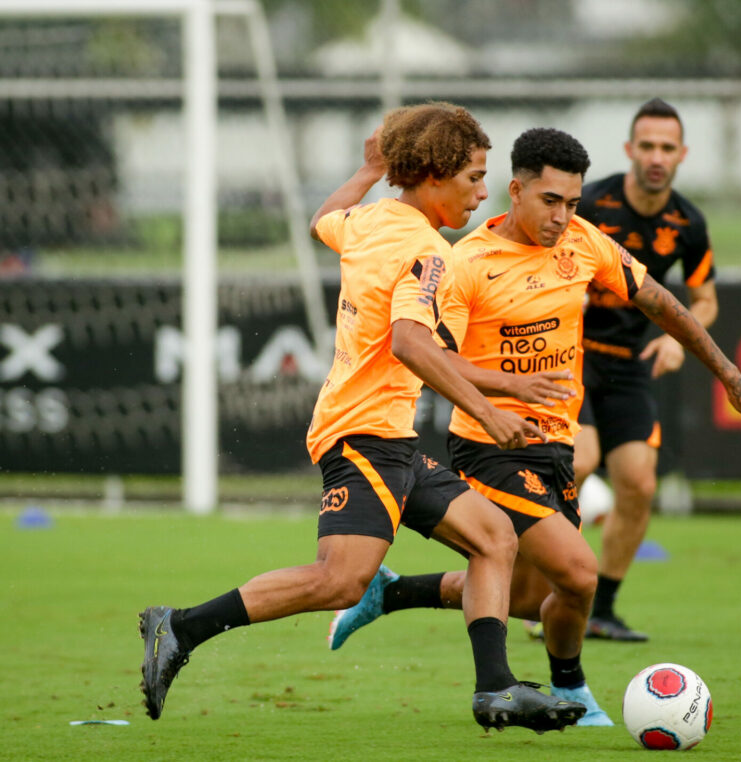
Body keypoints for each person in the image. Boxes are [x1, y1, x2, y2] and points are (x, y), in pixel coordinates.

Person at [137, 102, 586, 734]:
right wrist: (488, 410)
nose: (483, 194)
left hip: (389, 436)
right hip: (362, 434)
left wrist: (367, 170)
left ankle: (497, 689)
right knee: (342, 582)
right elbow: (410, 343)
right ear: (433, 173)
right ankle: (180, 626)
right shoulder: (426, 251)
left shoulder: (372, 219)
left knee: (494, 537)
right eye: (474, 178)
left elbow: (324, 220)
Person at [325, 127, 741, 726]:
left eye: (572, 202)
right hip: (489, 445)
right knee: (579, 574)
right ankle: (571, 686)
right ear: (515, 191)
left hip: (554, 446)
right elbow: (438, 359)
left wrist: (730, 376)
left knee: (525, 599)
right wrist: (506, 390)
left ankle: (394, 592)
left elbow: (662, 304)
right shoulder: (464, 264)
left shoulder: (585, 243)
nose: (563, 216)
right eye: (550, 201)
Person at [570, 98, 718, 642]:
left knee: (638, 483)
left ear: (682, 155)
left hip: (631, 365)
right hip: (572, 354)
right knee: (580, 461)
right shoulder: (589, 204)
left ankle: (600, 609)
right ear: (630, 150)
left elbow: (705, 301)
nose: (657, 156)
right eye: (647, 146)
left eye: (667, 147)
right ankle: (552, 592)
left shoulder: (688, 223)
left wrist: (675, 340)